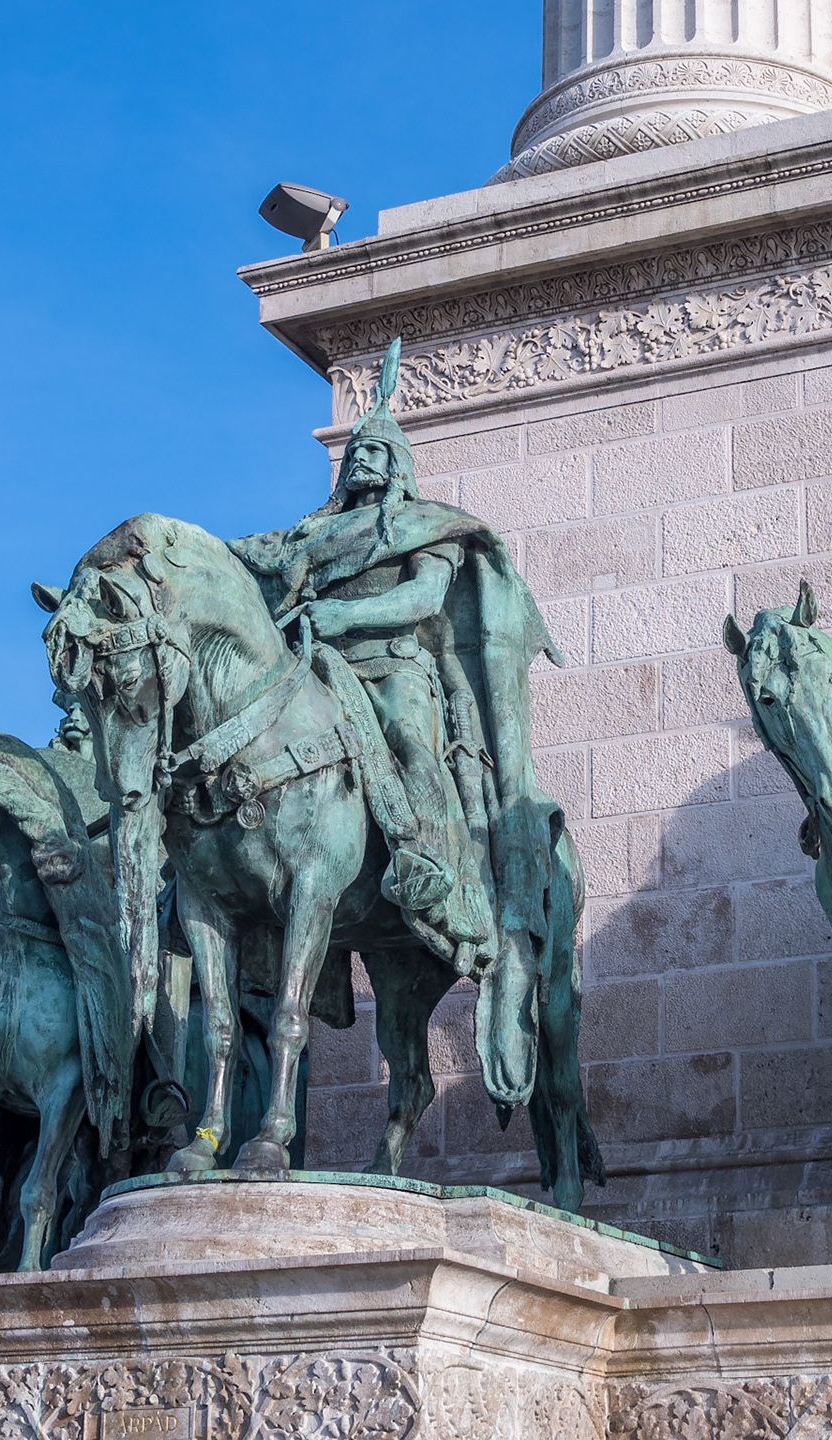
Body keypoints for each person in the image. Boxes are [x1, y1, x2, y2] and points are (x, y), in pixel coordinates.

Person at [228, 339, 567, 1106]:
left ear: (400, 466)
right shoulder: (310, 536)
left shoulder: (428, 527)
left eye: (380, 452)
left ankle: (431, 867)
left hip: (394, 670)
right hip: (316, 670)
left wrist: (342, 614)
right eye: (359, 452)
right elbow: (254, 558)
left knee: (412, 745)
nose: (366, 461)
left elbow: (420, 602)